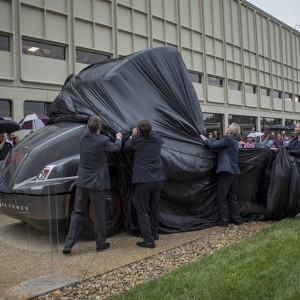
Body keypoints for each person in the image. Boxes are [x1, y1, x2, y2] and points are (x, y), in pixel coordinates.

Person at [63, 116, 123, 254]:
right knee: (99, 214)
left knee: (77, 212)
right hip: (96, 183)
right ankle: (100, 244)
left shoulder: (83, 138)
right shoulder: (103, 140)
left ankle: (68, 244)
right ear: (100, 128)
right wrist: (119, 137)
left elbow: (89, 129)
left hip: (82, 181)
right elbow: (116, 148)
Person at [123, 120, 167, 249]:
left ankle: (148, 241)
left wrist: (132, 135)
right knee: (154, 206)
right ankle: (155, 233)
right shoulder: (157, 138)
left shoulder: (137, 139)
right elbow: (160, 140)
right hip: (158, 178)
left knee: (142, 210)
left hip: (143, 180)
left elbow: (126, 147)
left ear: (139, 131)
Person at [200, 123, 242, 227]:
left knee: (222, 196)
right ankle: (237, 219)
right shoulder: (234, 140)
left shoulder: (228, 139)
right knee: (232, 196)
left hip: (226, 172)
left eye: (228, 127)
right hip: (234, 172)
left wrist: (204, 138)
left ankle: (224, 220)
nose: (227, 128)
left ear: (230, 131)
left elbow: (213, 145)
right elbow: (218, 142)